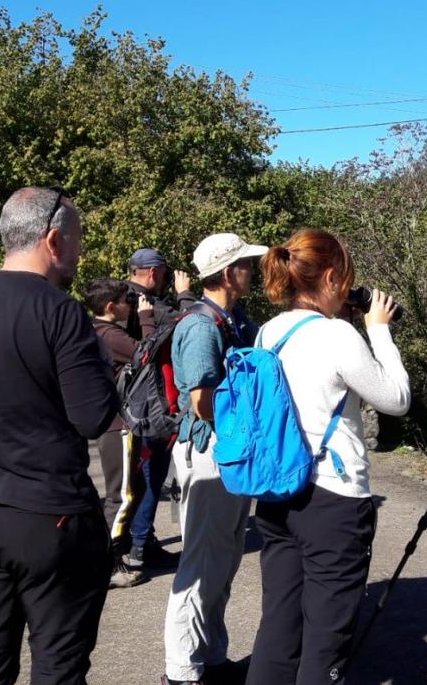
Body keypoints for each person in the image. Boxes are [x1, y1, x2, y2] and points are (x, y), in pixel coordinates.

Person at [0, 186, 119, 685]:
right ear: (53, 240)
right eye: (77, 240)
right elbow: (93, 417)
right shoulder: (60, 311)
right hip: (49, 516)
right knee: (58, 663)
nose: (80, 252)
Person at [245, 228, 411, 685]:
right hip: (333, 500)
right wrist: (379, 331)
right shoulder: (339, 335)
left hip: (278, 493)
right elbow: (396, 399)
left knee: (278, 628)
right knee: (326, 641)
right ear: (332, 277)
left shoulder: (268, 331)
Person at [163, 233, 267, 685]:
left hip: (226, 451)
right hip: (209, 451)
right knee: (202, 560)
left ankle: (212, 657)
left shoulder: (230, 320)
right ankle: (182, 671)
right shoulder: (202, 327)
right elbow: (202, 402)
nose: (253, 271)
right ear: (228, 273)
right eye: (246, 265)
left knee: (223, 558)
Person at [124, 247, 196, 573]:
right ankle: (139, 547)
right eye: (164, 275)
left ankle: (142, 540)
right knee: (151, 476)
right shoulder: (148, 304)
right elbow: (190, 322)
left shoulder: (117, 298)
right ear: (153, 273)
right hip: (150, 403)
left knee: (136, 479)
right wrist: (184, 295)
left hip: (127, 403)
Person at [84, 278, 154, 589]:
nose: (132, 305)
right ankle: (109, 564)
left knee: (133, 488)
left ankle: (113, 556)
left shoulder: (96, 330)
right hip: (118, 426)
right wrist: (148, 319)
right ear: (111, 307)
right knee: (121, 495)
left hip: (115, 424)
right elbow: (147, 355)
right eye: (127, 300)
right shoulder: (110, 335)